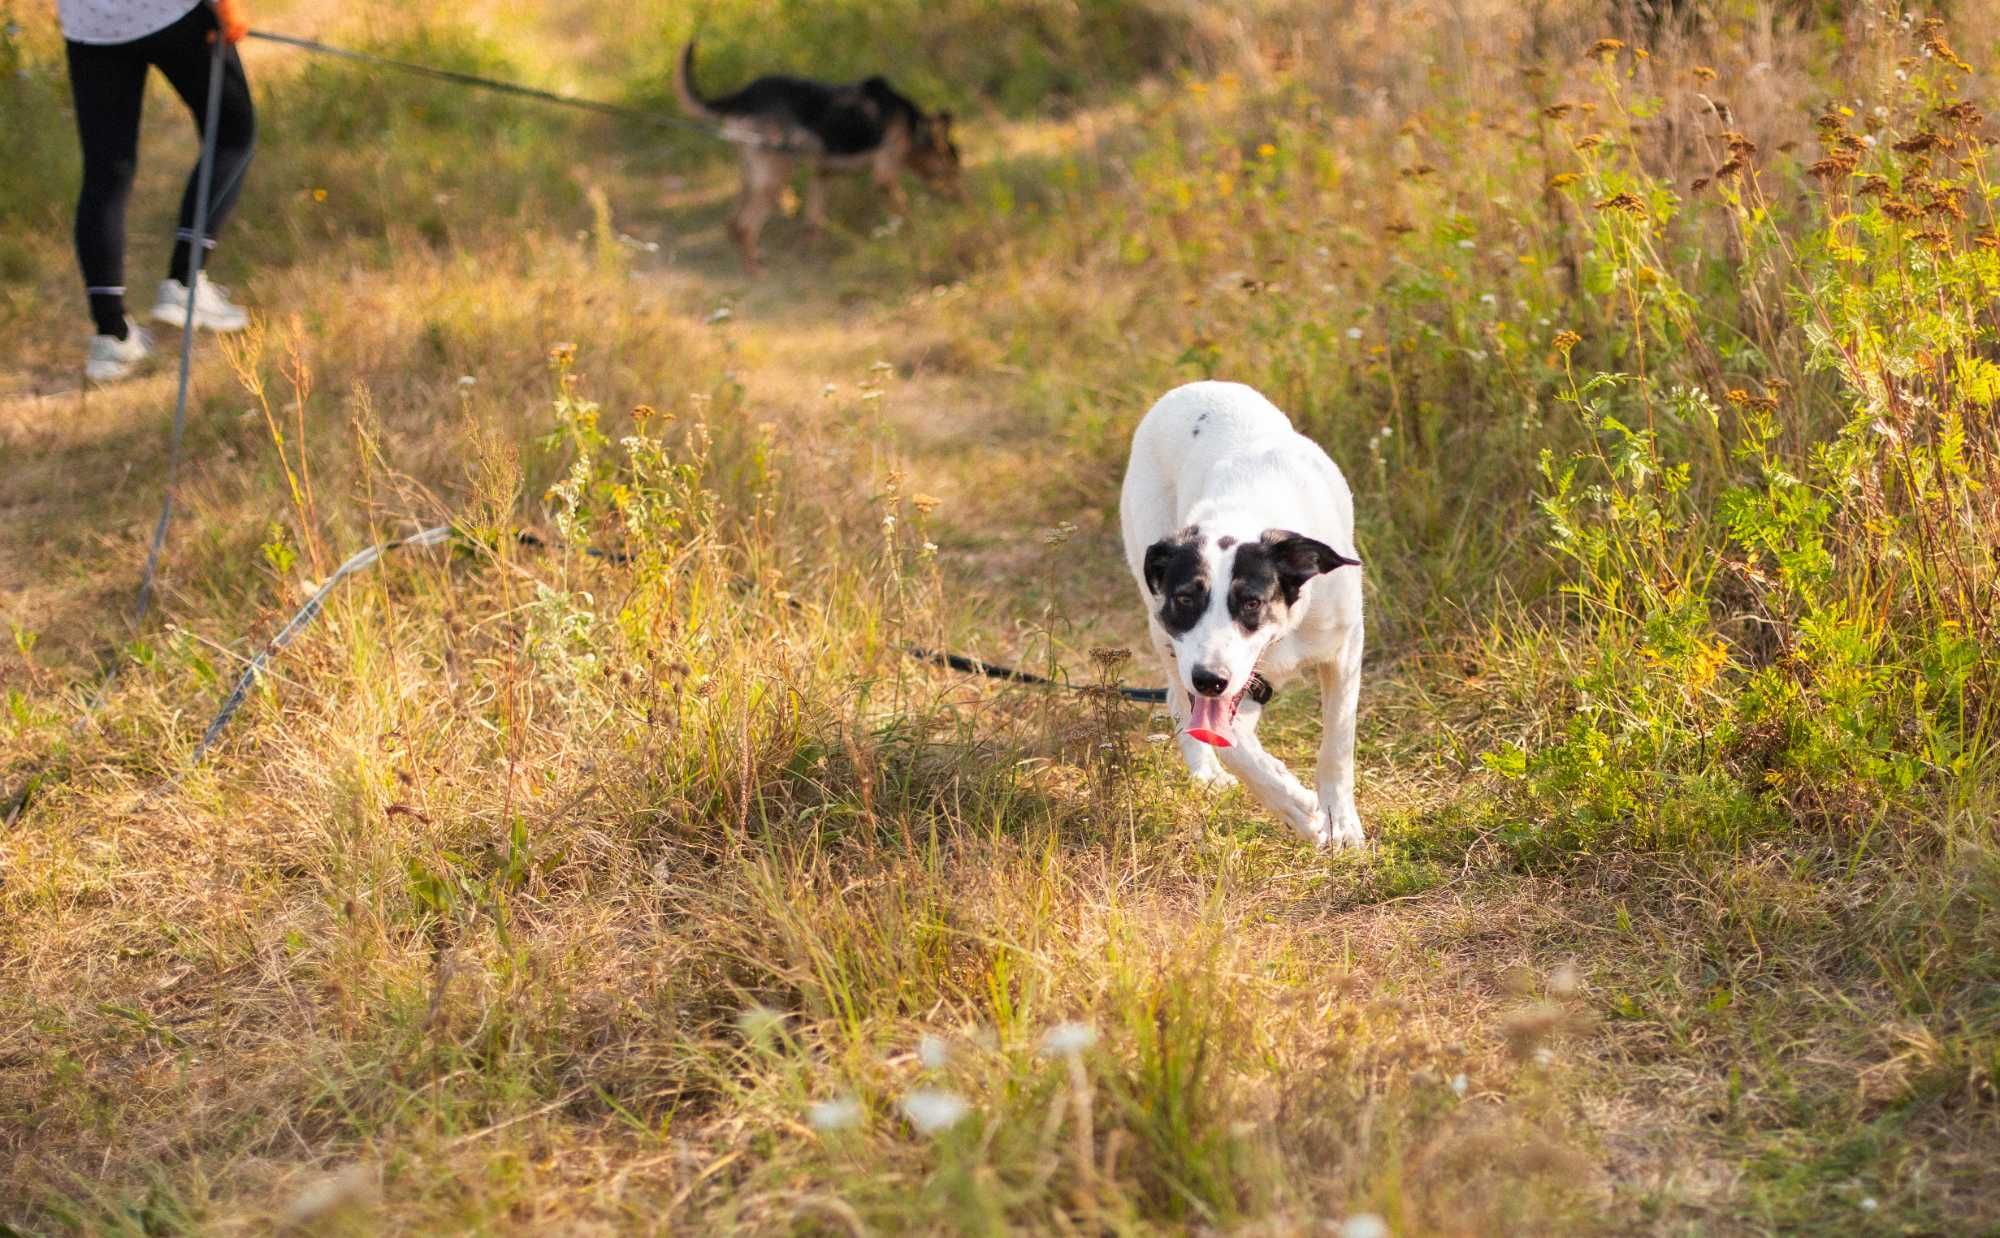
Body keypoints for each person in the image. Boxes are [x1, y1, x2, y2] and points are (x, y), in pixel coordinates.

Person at [60, 0, 255, 383]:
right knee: (234, 132)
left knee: (105, 172)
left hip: (89, 25)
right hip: (171, 12)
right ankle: (185, 281)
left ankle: (111, 334)